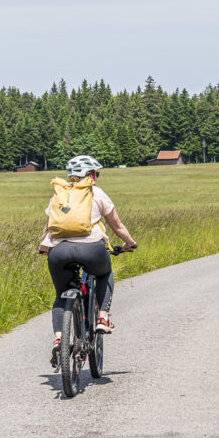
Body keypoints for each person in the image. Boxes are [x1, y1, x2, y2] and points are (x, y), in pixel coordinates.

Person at [39, 155, 137, 366]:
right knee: (104, 273)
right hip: (92, 249)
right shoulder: (96, 193)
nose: (96, 177)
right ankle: (102, 317)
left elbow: (48, 228)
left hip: (59, 252)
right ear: (89, 175)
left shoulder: (59, 195)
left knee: (60, 295)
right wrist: (130, 242)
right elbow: (117, 226)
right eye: (95, 173)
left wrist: (44, 248)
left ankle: (59, 339)